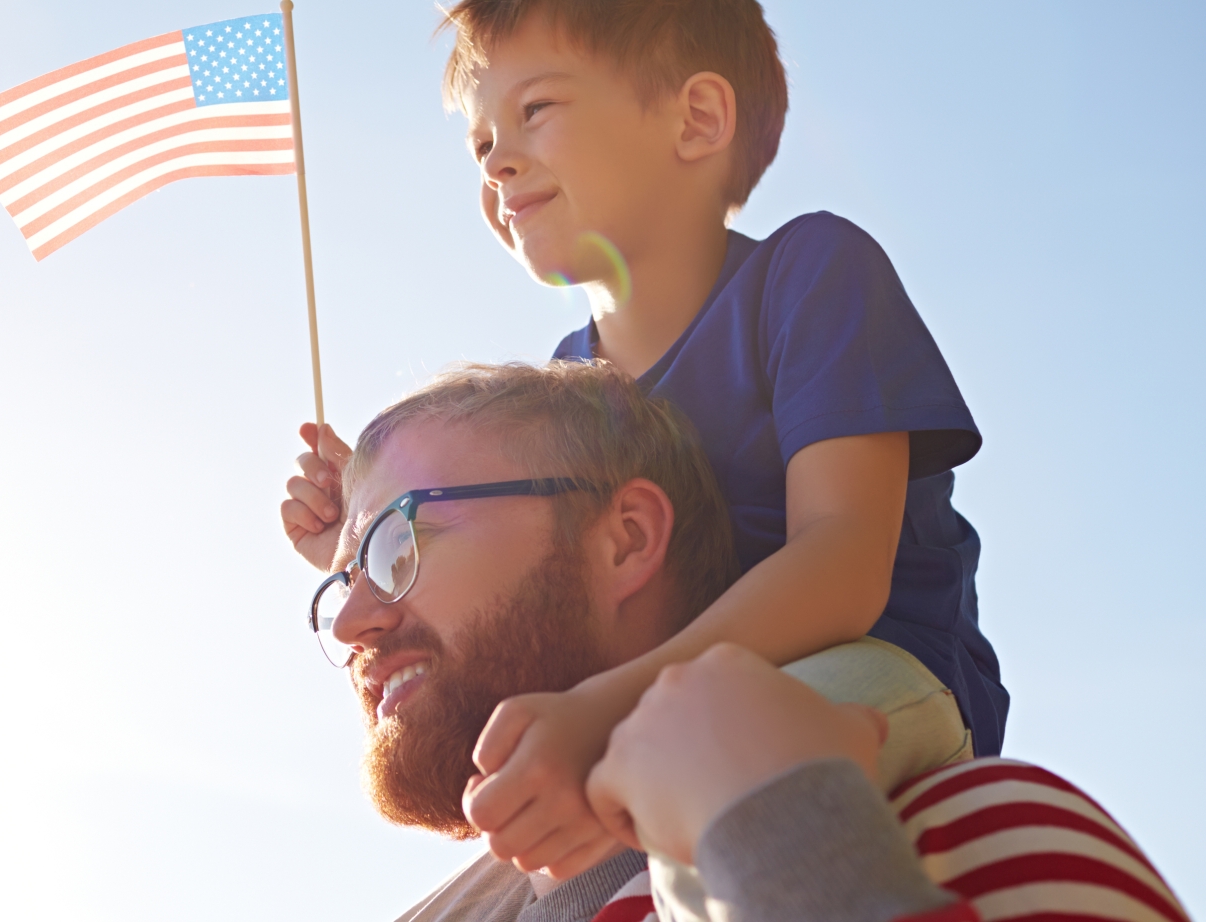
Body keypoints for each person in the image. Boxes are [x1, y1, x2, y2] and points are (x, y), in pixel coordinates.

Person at [282, 0, 1005, 880]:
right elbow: (545, 609)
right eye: (480, 145)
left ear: (695, 119)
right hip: (654, 696)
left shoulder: (811, 273)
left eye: (536, 109)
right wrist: (369, 548)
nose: (497, 162)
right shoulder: (570, 388)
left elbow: (844, 564)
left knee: (700, 773)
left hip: (875, 665)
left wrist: (604, 707)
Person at [311, 361, 1182, 922]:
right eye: (342, 582)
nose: (351, 625)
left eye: (398, 544)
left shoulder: (967, 835)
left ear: (624, 540)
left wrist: (782, 845)